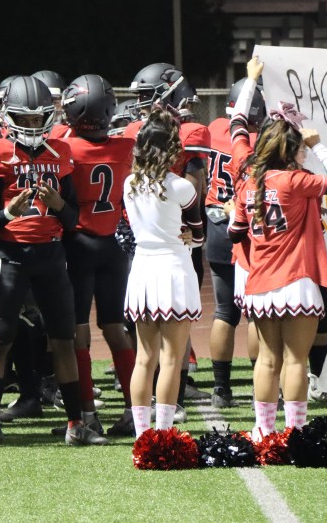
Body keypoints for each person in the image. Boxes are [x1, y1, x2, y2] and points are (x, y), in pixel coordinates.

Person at [0, 76, 106, 449]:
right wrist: (10, 213)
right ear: (8, 117)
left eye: (37, 118)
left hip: (51, 256)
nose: (31, 125)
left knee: (62, 340)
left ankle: (76, 423)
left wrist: (57, 204)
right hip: (10, 257)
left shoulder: (60, 151)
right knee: (0, 339)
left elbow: (73, 220)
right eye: (24, 119)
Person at [228, 57, 327, 439]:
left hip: (260, 283)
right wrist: (319, 144)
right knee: (296, 361)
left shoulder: (248, 177)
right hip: (297, 282)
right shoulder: (299, 181)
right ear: (291, 147)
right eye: (300, 148)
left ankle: (263, 433)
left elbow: (236, 125)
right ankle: (295, 434)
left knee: (267, 360)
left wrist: (250, 81)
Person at [60, 75, 138, 436]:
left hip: (77, 245)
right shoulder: (125, 148)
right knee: (115, 329)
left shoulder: (64, 148)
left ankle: (88, 413)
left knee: (79, 332)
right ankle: (135, 409)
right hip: (112, 247)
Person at [122, 108, 205, 437]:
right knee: (171, 357)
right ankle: (164, 434)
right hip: (173, 269)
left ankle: (143, 435)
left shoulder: (129, 183)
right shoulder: (182, 186)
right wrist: (186, 234)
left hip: (142, 268)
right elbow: (198, 236)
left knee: (144, 357)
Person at [205, 76, 265, 408]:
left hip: (216, 222)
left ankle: (221, 388)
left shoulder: (214, 127)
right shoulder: (261, 140)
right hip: (248, 228)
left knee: (224, 311)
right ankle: (260, 387)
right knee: (254, 314)